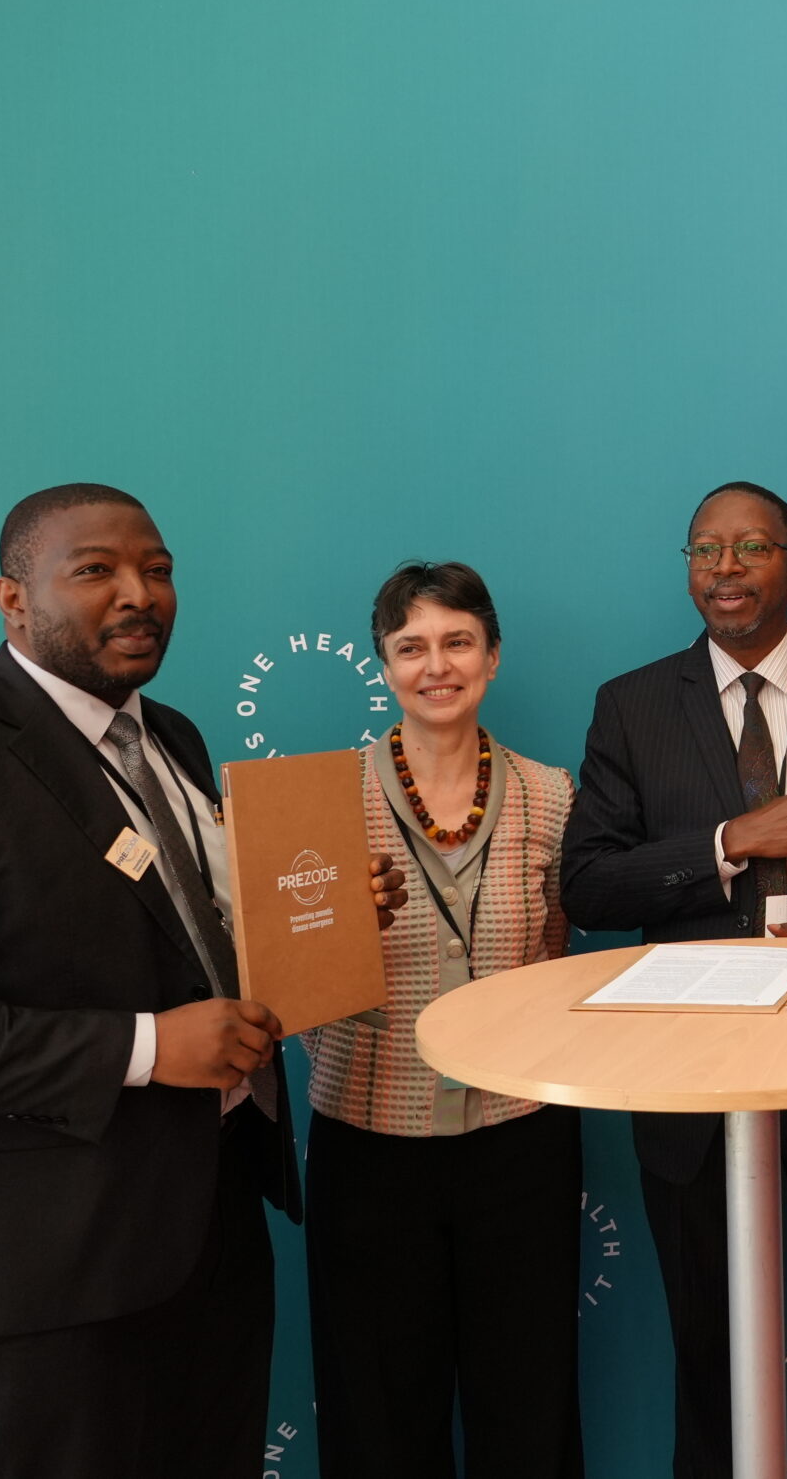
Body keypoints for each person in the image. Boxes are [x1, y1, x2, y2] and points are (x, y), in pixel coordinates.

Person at [0, 483, 404, 1479]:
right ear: (11, 599)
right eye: (96, 571)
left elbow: (171, 944)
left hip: (210, 1222)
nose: (139, 594)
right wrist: (154, 1048)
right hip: (46, 1268)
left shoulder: (173, 737)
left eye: (157, 571)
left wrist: (320, 916)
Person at [560, 481, 787, 1479]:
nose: (724, 567)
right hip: (691, 1071)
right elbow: (587, 884)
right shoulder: (631, 706)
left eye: (751, 547)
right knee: (707, 1345)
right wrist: (728, 842)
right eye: (705, 548)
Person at [300, 561, 582, 1477]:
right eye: (410, 646)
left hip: (519, 1141)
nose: (437, 665)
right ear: (383, 665)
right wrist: (344, 925)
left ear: (492, 656)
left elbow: (554, 959)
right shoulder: (320, 803)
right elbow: (284, 985)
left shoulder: (551, 793)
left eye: (458, 641)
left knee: (527, 1401)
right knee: (378, 1412)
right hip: (370, 1144)